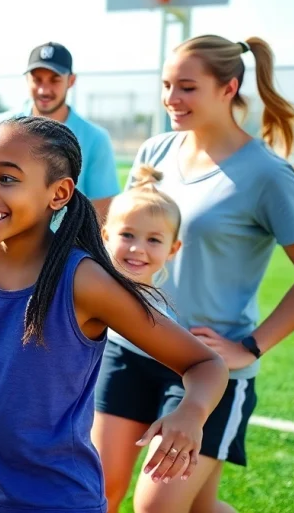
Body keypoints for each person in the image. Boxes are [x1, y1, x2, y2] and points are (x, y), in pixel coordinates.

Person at [0, 115, 228, 513]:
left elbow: (204, 364)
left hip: (59, 500)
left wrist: (191, 413)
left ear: (59, 193)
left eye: (7, 179)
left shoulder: (83, 282)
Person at [109, 34, 294, 513]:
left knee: (157, 507)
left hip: (205, 368)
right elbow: (120, 240)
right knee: (97, 492)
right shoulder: (154, 151)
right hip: (129, 349)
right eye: (167, 85)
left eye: (187, 87)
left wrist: (250, 346)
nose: (172, 99)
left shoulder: (267, 174)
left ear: (228, 88)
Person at [89, 163, 187, 512]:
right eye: (127, 235)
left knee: (174, 499)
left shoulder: (167, 308)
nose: (137, 249)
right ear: (105, 236)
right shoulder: (91, 283)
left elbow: (200, 366)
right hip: (122, 367)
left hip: (179, 380)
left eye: (154, 240)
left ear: (173, 249)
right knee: (101, 486)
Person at [0, 42, 119, 220]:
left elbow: (102, 210)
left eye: (54, 80)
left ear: (71, 81)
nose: (44, 90)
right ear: (27, 79)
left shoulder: (95, 138)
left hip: (67, 246)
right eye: (37, 79)